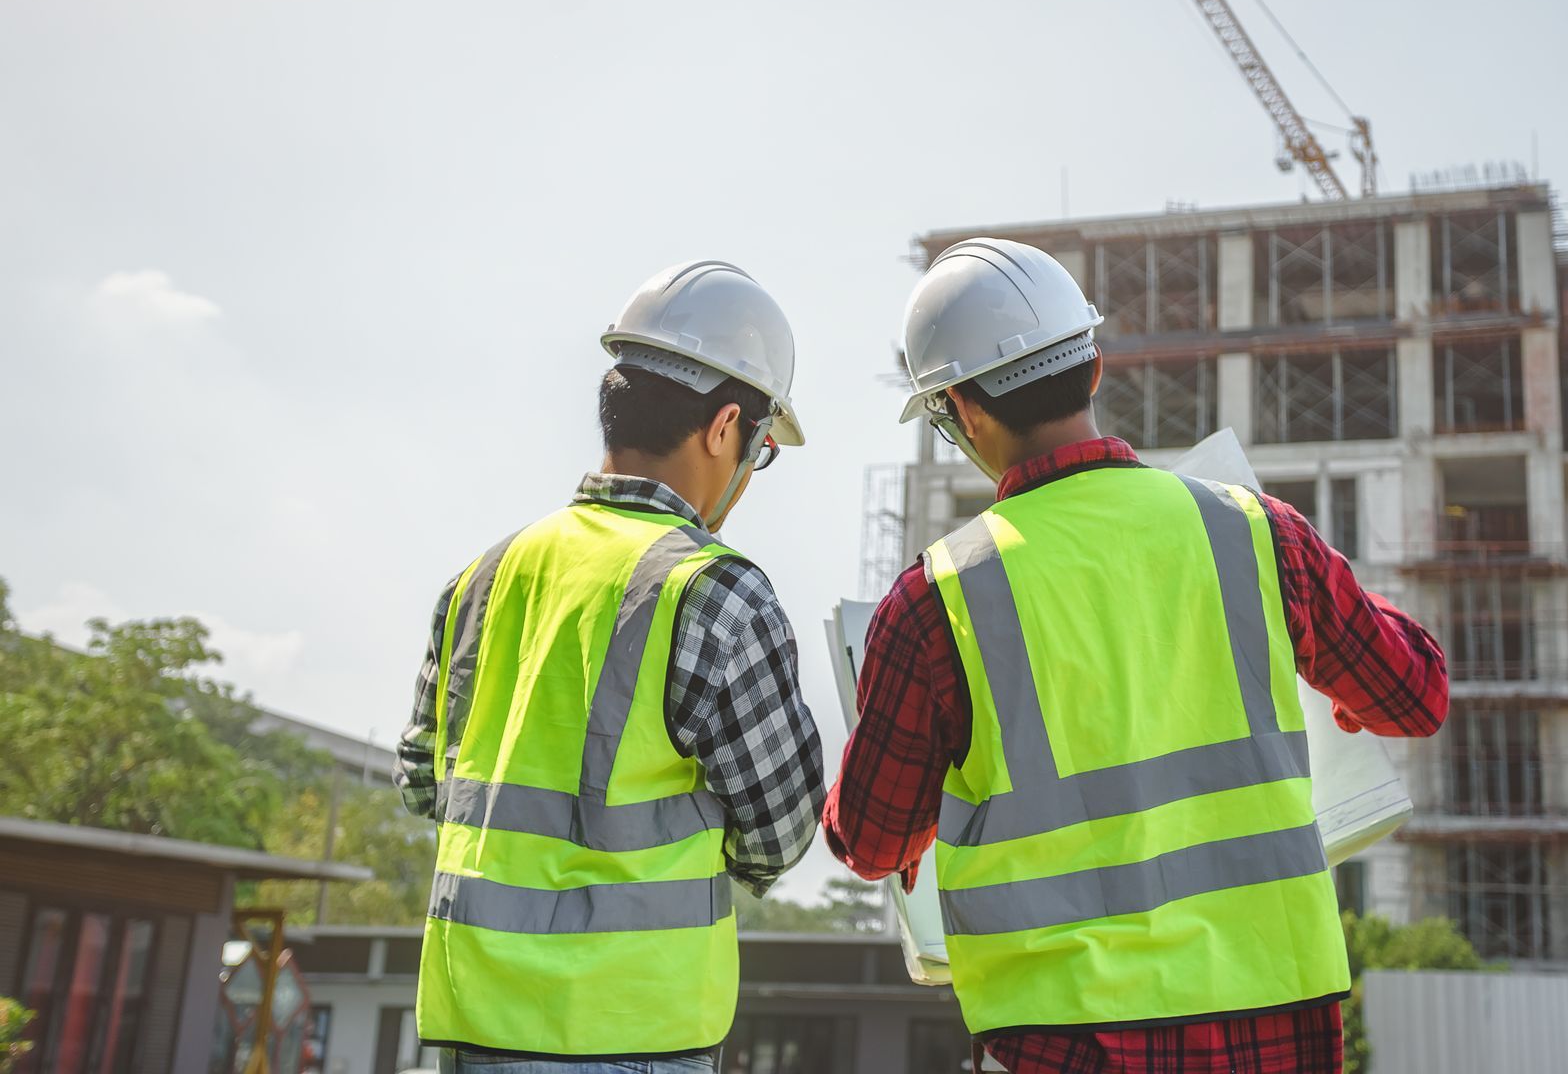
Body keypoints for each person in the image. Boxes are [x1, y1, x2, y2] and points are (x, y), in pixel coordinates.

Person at [824, 238, 1449, 1074]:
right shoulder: (1256, 532)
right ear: (1094, 367)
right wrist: (1335, 685)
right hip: (1275, 1020)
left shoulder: (937, 602)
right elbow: (1415, 695)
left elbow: (870, 840)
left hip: (1066, 1034)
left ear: (964, 411)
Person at [394, 261, 825, 1072]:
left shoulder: (483, 579)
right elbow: (782, 832)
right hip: (632, 1035)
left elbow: (423, 781)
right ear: (728, 426)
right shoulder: (714, 592)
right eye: (761, 451)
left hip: (470, 1027)